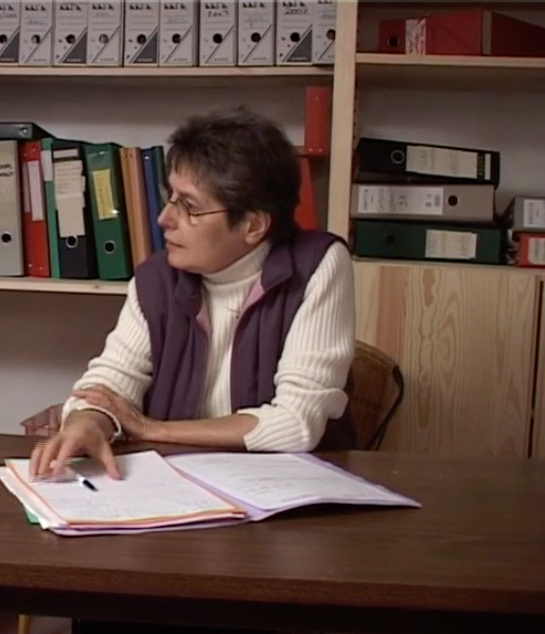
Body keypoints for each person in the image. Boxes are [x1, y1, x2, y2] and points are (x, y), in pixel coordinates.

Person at [30, 106, 356, 481]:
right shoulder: (157, 277)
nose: (164, 219)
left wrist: (151, 429)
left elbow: (296, 423)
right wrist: (87, 421)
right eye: (170, 197)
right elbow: (112, 381)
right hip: (180, 485)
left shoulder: (317, 264)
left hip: (292, 487)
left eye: (189, 207)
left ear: (253, 225)